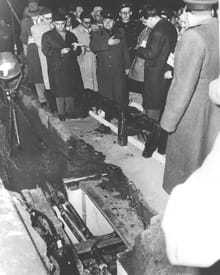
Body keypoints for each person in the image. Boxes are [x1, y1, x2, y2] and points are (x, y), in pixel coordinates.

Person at [160, 0, 219, 194]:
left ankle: (181, 205)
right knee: (204, 158)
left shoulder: (193, 36)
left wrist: (168, 122)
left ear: (189, 10)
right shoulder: (216, 29)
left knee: (185, 166)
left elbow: (182, 86)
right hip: (212, 108)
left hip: (190, 111)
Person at [136, 6, 177, 122]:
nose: (146, 25)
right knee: (159, 103)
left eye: (145, 22)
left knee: (152, 105)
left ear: (150, 18)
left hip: (155, 73)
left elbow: (151, 54)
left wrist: (139, 49)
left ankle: (150, 133)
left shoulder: (158, 31)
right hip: (164, 70)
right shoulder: (169, 26)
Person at [90, 10, 130, 131]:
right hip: (104, 72)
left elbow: (125, 51)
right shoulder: (96, 33)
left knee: (119, 96)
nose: (108, 23)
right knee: (105, 96)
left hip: (118, 70)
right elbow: (93, 47)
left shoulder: (120, 32)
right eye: (105, 20)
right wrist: (107, 43)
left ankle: (121, 121)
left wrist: (127, 66)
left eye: (110, 20)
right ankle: (105, 122)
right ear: (102, 21)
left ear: (114, 22)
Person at [42, 12, 84, 121]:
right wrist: (60, 51)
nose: (60, 26)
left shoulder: (71, 35)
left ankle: (70, 111)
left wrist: (76, 49)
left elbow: (78, 51)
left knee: (70, 89)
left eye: (62, 24)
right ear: (53, 24)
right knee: (59, 91)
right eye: (58, 24)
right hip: (57, 67)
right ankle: (61, 113)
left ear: (65, 23)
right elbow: (46, 51)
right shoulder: (47, 36)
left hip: (70, 67)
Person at [20, 0, 47, 107]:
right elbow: (23, 38)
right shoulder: (25, 22)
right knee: (36, 73)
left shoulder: (45, 19)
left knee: (47, 71)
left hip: (45, 47)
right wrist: (26, 54)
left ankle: (50, 94)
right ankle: (42, 98)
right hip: (33, 49)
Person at [31, 8, 57, 112]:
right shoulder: (35, 28)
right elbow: (40, 44)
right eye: (47, 18)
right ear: (41, 17)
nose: (49, 20)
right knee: (47, 79)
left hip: (56, 56)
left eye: (51, 18)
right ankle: (51, 105)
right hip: (45, 56)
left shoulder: (53, 25)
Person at [72, 11, 98, 91]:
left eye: (90, 22)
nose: (88, 24)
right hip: (83, 61)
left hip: (94, 59)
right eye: (86, 22)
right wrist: (83, 48)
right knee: (85, 84)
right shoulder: (74, 32)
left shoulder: (94, 30)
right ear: (80, 20)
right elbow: (74, 49)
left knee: (95, 81)